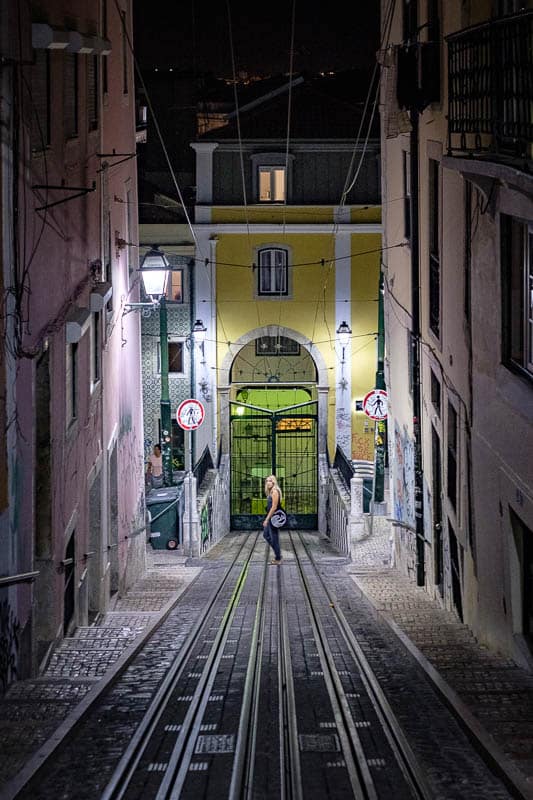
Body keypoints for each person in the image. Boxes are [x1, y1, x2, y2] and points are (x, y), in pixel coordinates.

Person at [263, 475, 283, 565]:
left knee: (274, 538)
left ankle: (278, 558)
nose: (268, 482)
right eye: (267, 481)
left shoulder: (275, 491)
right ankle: (278, 553)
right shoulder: (270, 492)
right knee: (266, 535)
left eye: (270, 481)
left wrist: (267, 519)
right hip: (271, 517)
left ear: (274, 482)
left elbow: (274, 507)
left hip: (273, 519)